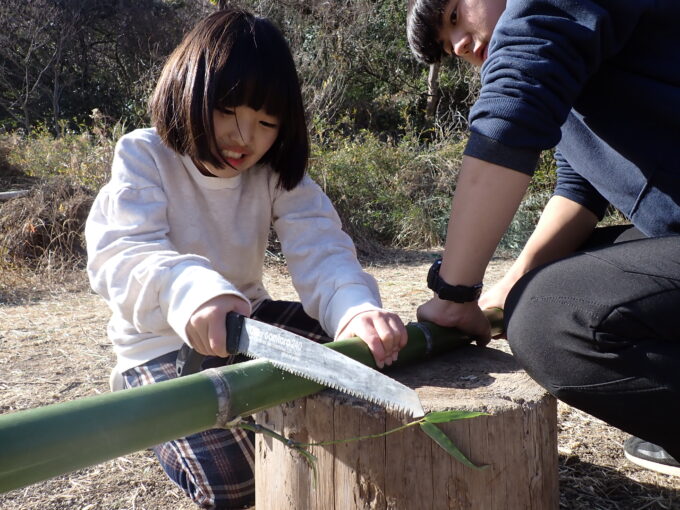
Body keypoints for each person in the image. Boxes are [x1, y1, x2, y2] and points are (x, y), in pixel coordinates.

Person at [85, 8, 407, 508]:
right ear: (186, 92)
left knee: (366, 364)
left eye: (266, 122)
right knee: (235, 481)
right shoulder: (144, 155)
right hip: (161, 341)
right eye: (227, 111)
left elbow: (322, 249)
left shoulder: (274, 172)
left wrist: (354, 310)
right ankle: (147, 412)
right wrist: (194, 293)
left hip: (250, 321)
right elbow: (124, 253)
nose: (245, 137)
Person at [407, 0, 680, 477]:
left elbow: (513, 107)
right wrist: (510, 283)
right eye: (451, 48)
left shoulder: (547, 22)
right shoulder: (579, 73)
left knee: (548, 319)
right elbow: (579, 188)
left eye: (455, 16)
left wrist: (453, 294)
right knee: (550, 279)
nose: (462, 45)